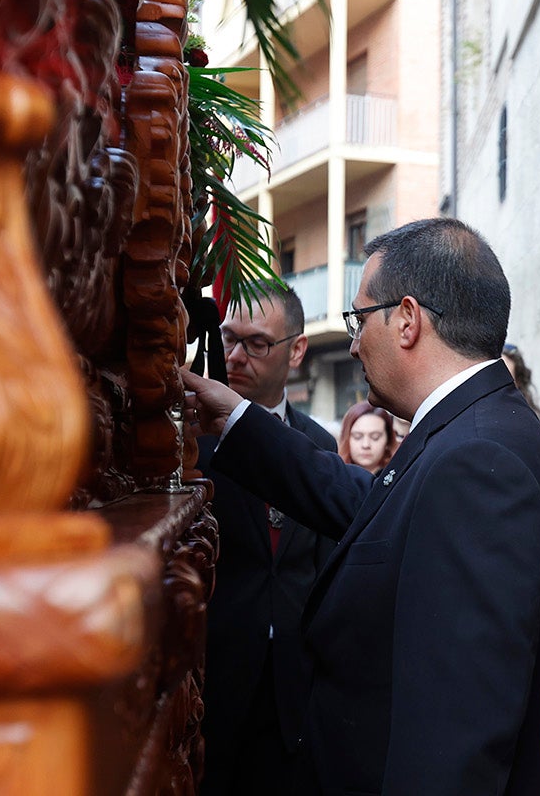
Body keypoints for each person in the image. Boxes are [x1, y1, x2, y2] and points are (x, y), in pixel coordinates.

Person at [181, 217, 540, 796]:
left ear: (408, 320)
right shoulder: (467, 434)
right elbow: (370, 510)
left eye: (358, 319)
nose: (354, 341)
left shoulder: (480, 461)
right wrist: (237, 421)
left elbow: (454, 737)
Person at [198, 286, 339, 796]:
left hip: (295, 693)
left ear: (295, 350)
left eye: (256, 344)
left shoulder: (320, 448)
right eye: (228, 339)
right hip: (215, 684)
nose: (235, 356)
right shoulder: (191, 443)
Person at [337, 400, 396, 475]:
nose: (366, 445)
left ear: (388, 440)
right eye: (357, 437)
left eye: (375, 437)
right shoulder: (333, 477)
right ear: (347, 438)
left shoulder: (400, 476)